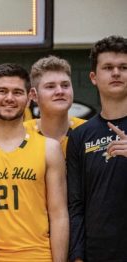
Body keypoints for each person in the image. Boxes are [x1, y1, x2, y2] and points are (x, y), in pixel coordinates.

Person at [0, 63, 68, 261]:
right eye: (2, 91)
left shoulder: (49, 149)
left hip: (36, 255)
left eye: (17, 92)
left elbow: (59, 215)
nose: (9, 98)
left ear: (29, 96)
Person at [67, 35, 127, 261]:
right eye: (108, 67)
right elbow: (76, 204)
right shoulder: (81, 135)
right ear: (93, 77)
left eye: (123, 67)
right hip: (97, 253)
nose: (116, 73)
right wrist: (78, 256)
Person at [25, 55, 85, 155]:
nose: (60, 91)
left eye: (65, 85)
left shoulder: (90, 132)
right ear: (34, 95)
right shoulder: (21, 135)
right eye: (50, 86)